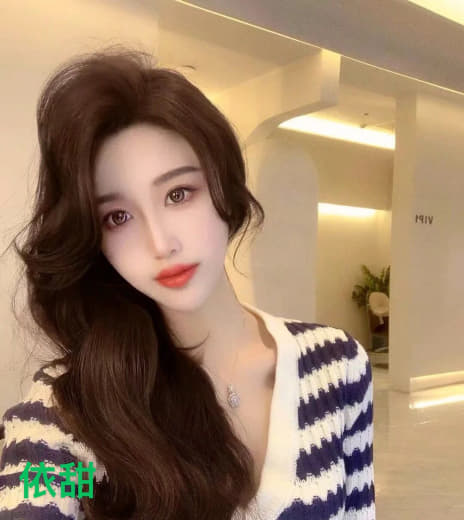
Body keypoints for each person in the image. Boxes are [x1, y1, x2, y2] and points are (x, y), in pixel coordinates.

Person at [0, 46, 375, 520]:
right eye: (117, 217)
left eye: (178, 193)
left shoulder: (337, 365)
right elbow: (38, 488)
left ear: (223, 187)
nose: (160, 243)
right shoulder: (67, 411)